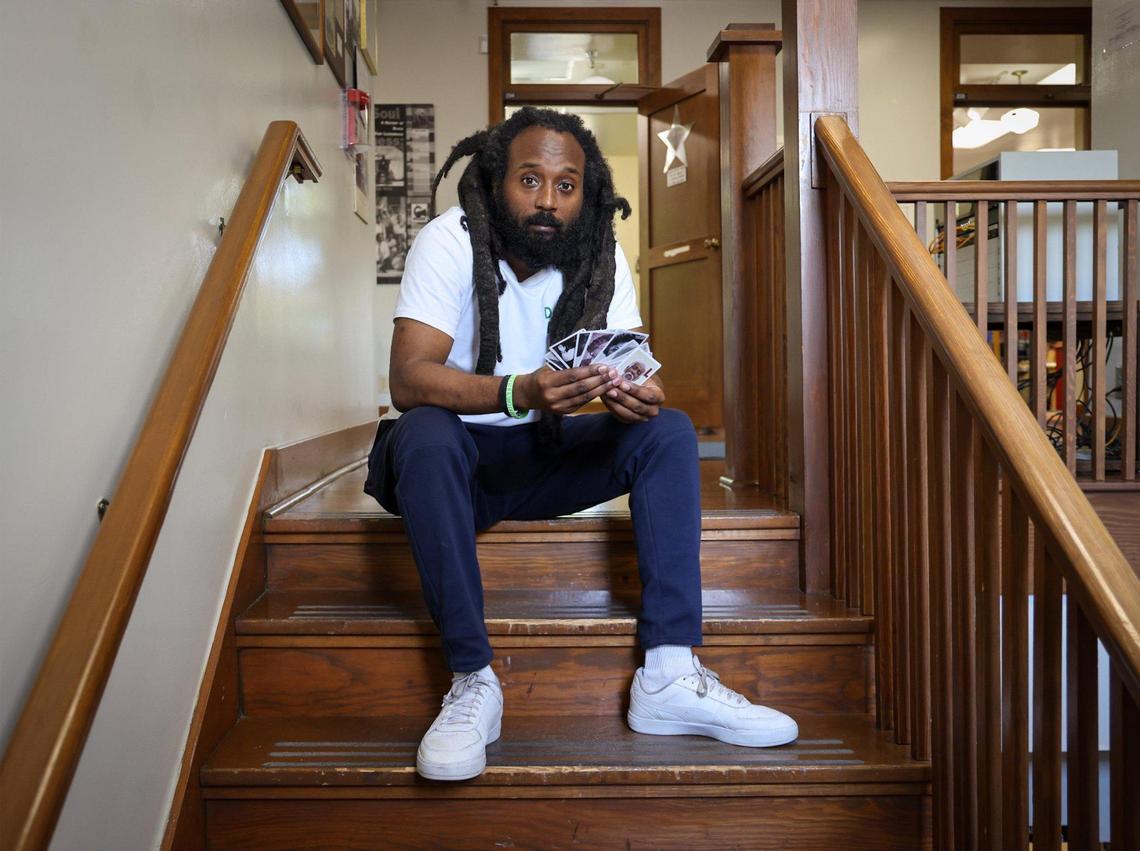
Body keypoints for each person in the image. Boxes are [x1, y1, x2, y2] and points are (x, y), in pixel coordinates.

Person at [364, 107, 797, 782]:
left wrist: (635, 395)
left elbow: (632, 361)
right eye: (529, 179)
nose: (547, 200)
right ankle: (472, 680)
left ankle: (668, 673)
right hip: (455, 465)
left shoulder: (601, 254)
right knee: (422, 431)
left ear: (585, 193)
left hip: (544, 450)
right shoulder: (448, 241)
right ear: (496, 179)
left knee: (669, 430)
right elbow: (409, 376)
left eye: (565, 186)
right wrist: (519, 392)